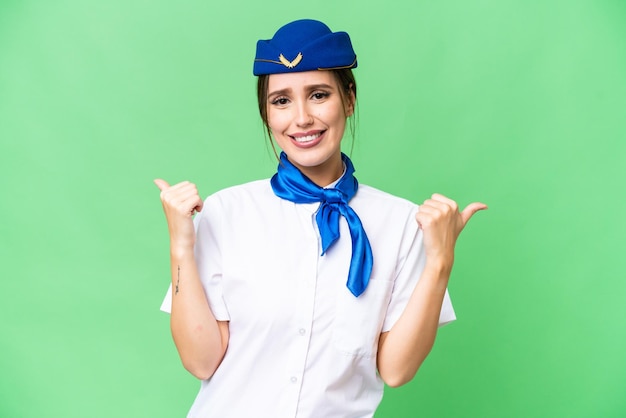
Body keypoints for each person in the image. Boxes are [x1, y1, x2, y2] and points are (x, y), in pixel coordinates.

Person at [155, 19, 486, 418]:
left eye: (318, 95)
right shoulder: (226, 212)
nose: (302, 118)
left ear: (349, 100)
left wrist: (439, 262)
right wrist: (180, 245)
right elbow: (201, 361)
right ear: (266, 115)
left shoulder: (402, 224)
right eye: (281, 101)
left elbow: (396, 370)